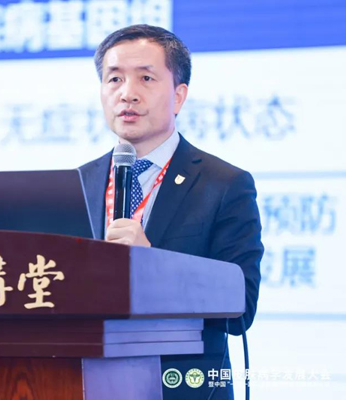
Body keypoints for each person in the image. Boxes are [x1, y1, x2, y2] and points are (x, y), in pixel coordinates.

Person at [79, 24, 263, 399]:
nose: (127, 93)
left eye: (145, 78)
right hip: (82, 380)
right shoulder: (80, 181)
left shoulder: (224, 184)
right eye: (114, 79)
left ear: (179, 96)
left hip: (182, 385)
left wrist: (154, 264)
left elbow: (241, 308)